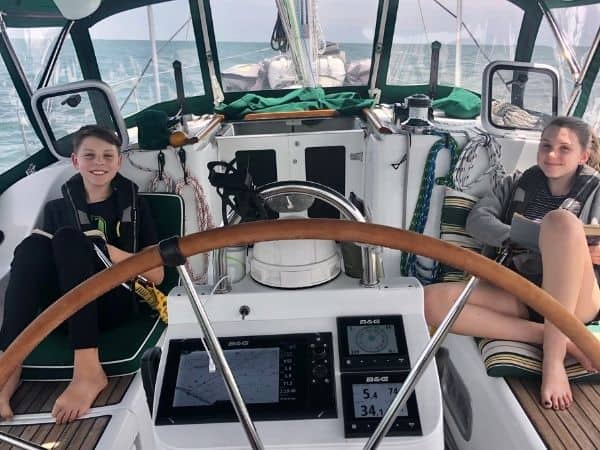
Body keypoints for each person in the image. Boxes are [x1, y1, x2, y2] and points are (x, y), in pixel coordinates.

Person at [424, 116, 600, 411]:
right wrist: (524, 237)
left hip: (576, 301)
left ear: (583, 155)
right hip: (525, 292)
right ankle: (549, 336)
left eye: (564, 149)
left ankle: (553, 360)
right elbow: (478, 220)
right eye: (546, 145)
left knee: (562, 222)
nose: (552, 154)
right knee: (429, 302)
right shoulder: (516, 181)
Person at [0, 125, 164, 424]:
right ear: (75, 162)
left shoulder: (136, 206)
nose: (98, 162)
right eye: (89, 155)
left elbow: (156, 274)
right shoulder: (57, 209)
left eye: (107, 155)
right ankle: (8, 367)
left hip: (115, 304)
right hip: (64, 311)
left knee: (69, 240)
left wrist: (101, 248)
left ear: (119, 161)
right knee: (32, 246)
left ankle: (88, 370)